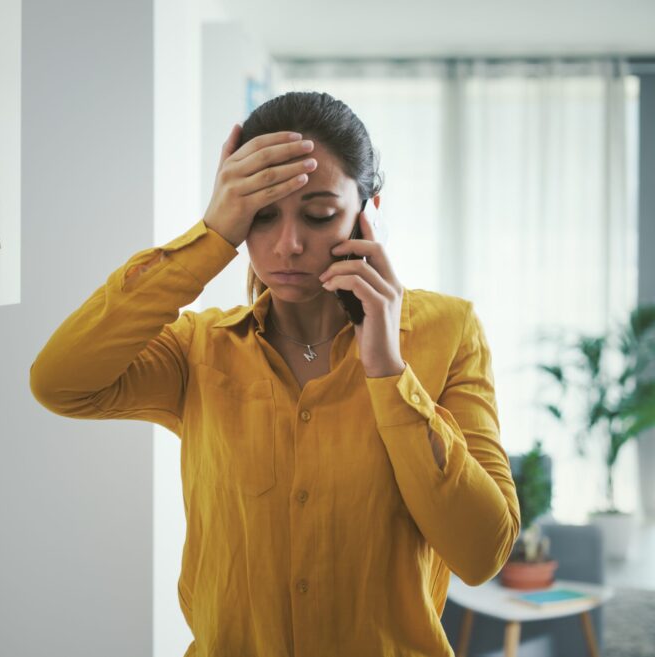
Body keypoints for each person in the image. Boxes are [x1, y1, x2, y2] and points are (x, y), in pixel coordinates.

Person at [29, 91, 520, 657]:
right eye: (262, 216)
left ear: (368, 213)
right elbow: (59, 382)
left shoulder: (450, 332)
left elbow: (483, 553)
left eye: (318, 215)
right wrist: (210, 235)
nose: (288, 245)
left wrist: (388, 370)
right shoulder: (198, 350)